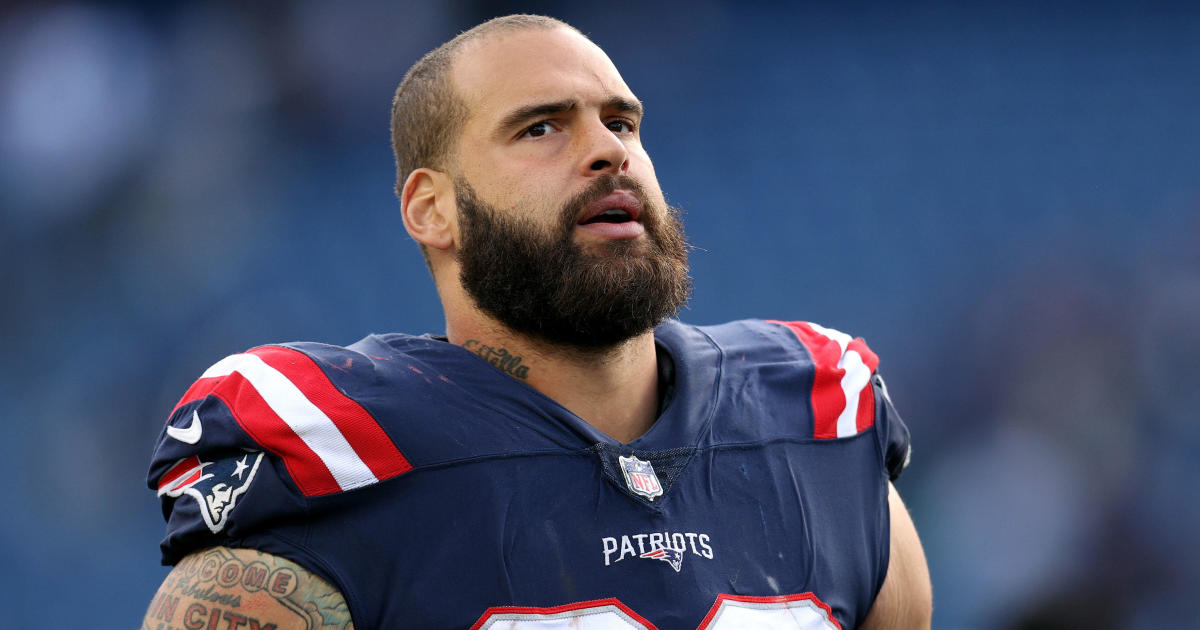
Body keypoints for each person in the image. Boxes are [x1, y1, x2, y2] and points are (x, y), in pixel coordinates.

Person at [143, 14, 931, 630]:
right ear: (433, 209)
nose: (606, 152)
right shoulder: (342, 456)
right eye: (541, 128)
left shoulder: (817, 423)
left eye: (621, 123)